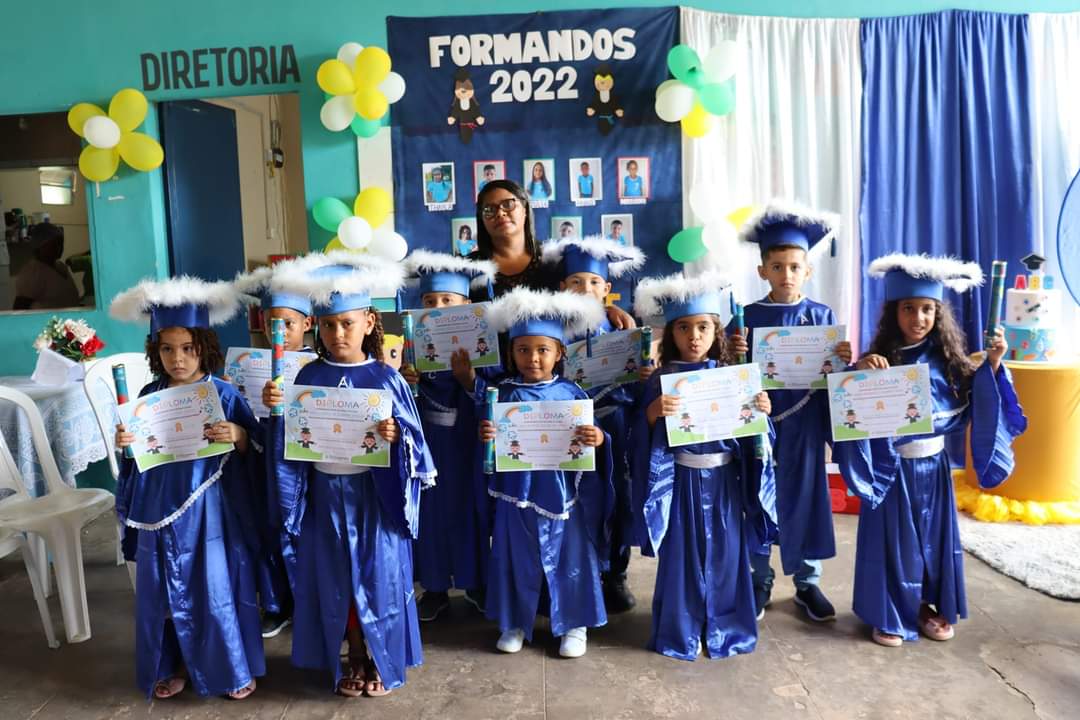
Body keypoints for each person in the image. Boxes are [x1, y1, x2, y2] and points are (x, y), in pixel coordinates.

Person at [835, 253, 1025, 648]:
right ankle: (889, 612)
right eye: (908, 308)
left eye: (926, 309)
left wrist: (993, 363)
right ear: (894, 312)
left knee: (931, 542)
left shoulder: (950, 363)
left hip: (934, 468)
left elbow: (981, 399)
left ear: (938, 313)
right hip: (891, 468)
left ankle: (927, 606)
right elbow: (849, 410)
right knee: (894, 543)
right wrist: (858, 372)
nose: (918, 318)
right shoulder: (879, 360)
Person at [267, 252, 435, 697]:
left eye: (346, 323)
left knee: (379, 579)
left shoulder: (386, 377)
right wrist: (277, 412)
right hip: (325, 494)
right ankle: (355, 654)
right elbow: (291, 442)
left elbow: (415, 442)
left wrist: (395, 435)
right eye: (327, 325)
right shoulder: (308, 375)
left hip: (373, 496)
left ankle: (381, 656)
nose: (337, 333)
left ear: (368, 322)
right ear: (317, 328)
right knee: (337, 579)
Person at [109, 277, 264, 700]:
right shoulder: (147, 396)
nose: (177, 359)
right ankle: (171, 664)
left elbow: (256, 448)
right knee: (164, 592)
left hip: (209, 513)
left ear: (204, 347)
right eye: (167, 349)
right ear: (155, 350)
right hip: (158, 511)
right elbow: (137, 461)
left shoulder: (224, 394)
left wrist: (238, 435)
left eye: (188, 348)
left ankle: (230, 669)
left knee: (213, 589)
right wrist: (126, 443)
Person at [631, 272, 775, 660]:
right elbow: (638, 438)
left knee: (726, 556)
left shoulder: (733, 378)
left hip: (724, 481)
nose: (694, 337)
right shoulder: (660, 380)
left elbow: (755, 442)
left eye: (703, 327)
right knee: (682, 557)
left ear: (716, 331)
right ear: (671, 333)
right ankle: (682, 629)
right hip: (680, 481)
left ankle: (725, 628)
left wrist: (762, 412)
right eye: (684, 328)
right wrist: (651, 414)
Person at [727, 202, 852, 623]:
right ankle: (759, 579)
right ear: (762, 271)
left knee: (807, 498)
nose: (787, 275)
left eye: (795, 267)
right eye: (777, 267)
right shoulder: (746, 318)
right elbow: (726, 375)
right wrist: (732, 352)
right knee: (756, 496)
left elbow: (834, 378)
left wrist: (843, 361)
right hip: (760, 423)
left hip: (805, 423)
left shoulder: (821, 317)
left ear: (808, 271)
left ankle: (807, 582)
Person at [479, 288, 614, 657]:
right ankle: (513, 622)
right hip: (515, 491)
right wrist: (486, 435)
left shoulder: (572, 394)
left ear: (560, 353)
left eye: (543, 350)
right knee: (514, 555)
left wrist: (598, 438)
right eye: (523, 350)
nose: (533, 358)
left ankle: (575, 624)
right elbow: (490, 448)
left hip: (561, 492)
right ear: (511, 353)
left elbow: (594, 440)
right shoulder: (502, 395)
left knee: (570, 555)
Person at [541, 235, 645, 613]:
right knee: (572, 498)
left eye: (593, 282)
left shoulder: (622, 330)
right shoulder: (551, 332)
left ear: (606, 288)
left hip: (612, 422)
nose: (585, 289)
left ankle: (615, 572)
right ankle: (567, 572)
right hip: (566, 426)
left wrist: (641, 374)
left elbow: (634, 388)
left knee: (616, 497)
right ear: (562, 287)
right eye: (576, 282)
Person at [398, 250, 498, 622]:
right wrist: (407, 380)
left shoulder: (484, 345)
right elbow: (404, 401)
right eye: (429, 301)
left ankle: (475, 583)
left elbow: (497, 391)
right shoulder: (413, 345)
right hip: (430, 444)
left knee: (470, 512)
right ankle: (435, 587)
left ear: (466, 305)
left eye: (447, 301)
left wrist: (469, 379)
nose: (437, 308)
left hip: (467, 443)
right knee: (433, 515)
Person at [235, 262, 318, 639]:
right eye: (271, 323)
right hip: (265, 462)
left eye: (288, 323)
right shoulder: (251, 365)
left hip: (304, 469)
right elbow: (246, 422)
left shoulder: (318, 368)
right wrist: (242, 399)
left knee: (303, 531)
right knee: (268, 529)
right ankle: (278, 602)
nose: (279, 331)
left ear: (307, 323)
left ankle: (312, 603)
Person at [13, 222, 81, 310]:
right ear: (40, 245)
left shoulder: (61, 266)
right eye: (54, 244)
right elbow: (20, 308)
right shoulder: (33, 272)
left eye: (61, 243)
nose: (60, 248)